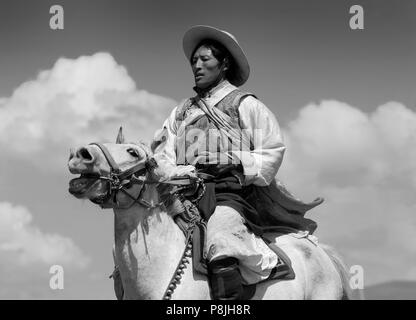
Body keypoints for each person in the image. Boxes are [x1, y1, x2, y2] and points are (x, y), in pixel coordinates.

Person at [152, 25, 318, 300]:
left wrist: (233, 159)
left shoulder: (246, 105)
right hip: (182, 196)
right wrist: (183, 171)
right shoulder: (180, 112)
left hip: (229, 196)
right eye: (194, 61)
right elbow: (162, 155)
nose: (197, 66)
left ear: (224, 63)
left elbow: (272, 151)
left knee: (222, 240)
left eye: (205, 60)